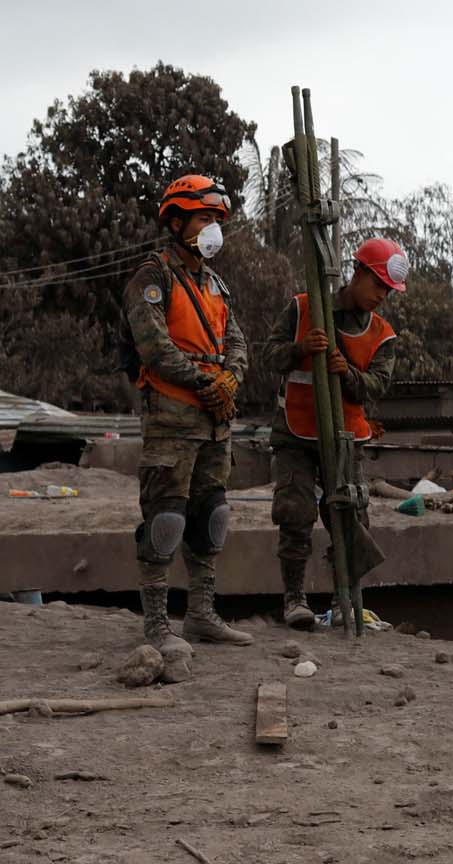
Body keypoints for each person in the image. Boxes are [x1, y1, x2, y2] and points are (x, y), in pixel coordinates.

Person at [123, 174, 253, 681]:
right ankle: (157, 624)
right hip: (172, 419)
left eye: (218, 219)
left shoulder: (215, 284)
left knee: (211, 516)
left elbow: (237, 343)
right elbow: (153, 347)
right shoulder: (152, 278)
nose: (213, 228)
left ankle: (200, 614)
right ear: (176, 222)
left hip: (215, 423)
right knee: (165, 520)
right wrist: (207, 381)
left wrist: (231, 379)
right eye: (204, 218)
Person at [262, 238, 404, 628]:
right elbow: (268, 355)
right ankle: (294, 598)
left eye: (388, 291)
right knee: (295, 512)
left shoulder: (382, 334)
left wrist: (348, 374)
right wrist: (300, 348)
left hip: (346, 437)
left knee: (350, 517)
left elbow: (377, 386)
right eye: (378, 286)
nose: (382, 297)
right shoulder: (303, 308)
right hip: (296, 431)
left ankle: (347, 599)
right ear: (358, 273)